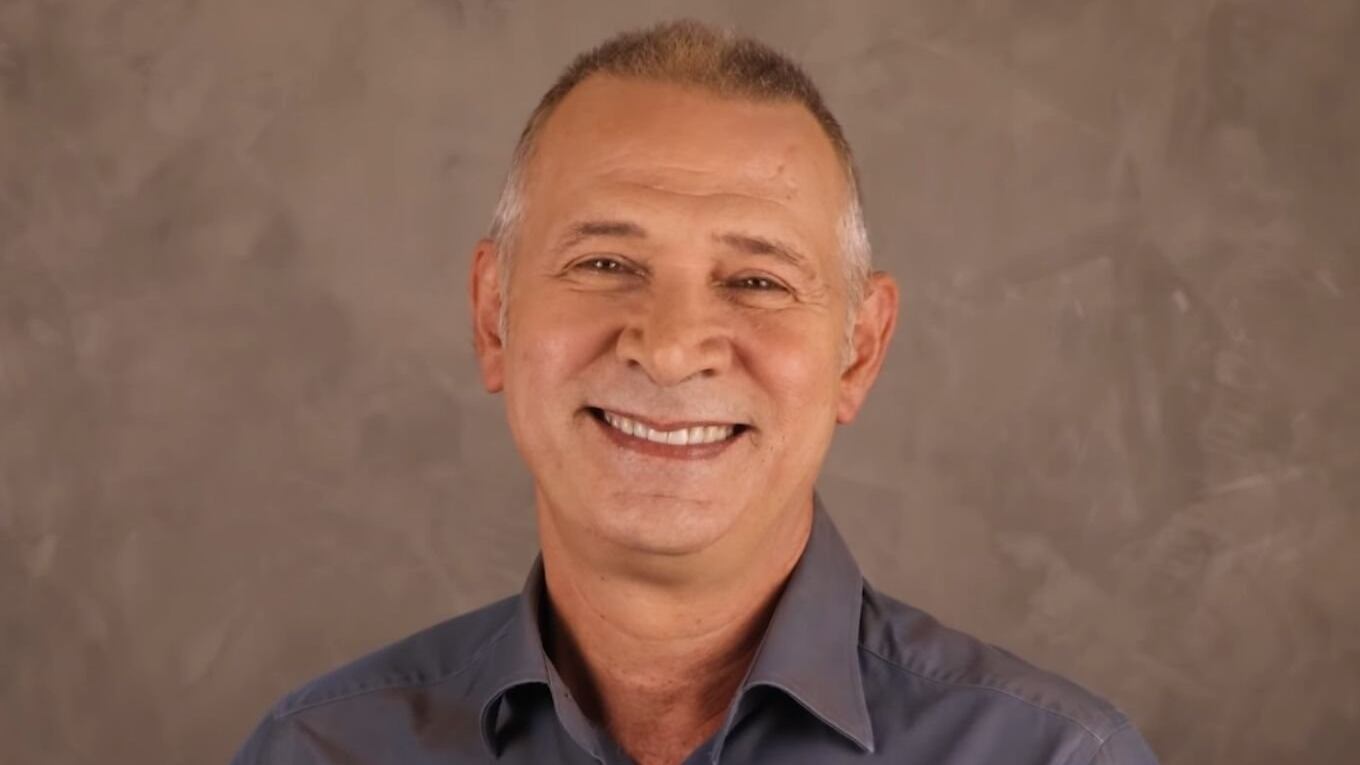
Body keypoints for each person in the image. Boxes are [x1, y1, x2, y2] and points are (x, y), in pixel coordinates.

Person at [230, 19, 1159, 765]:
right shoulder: (318, 749)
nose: (670, 350)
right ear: (492, 316)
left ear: (859, 351)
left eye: (756, 280)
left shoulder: (1054, 756)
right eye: (605, 263)